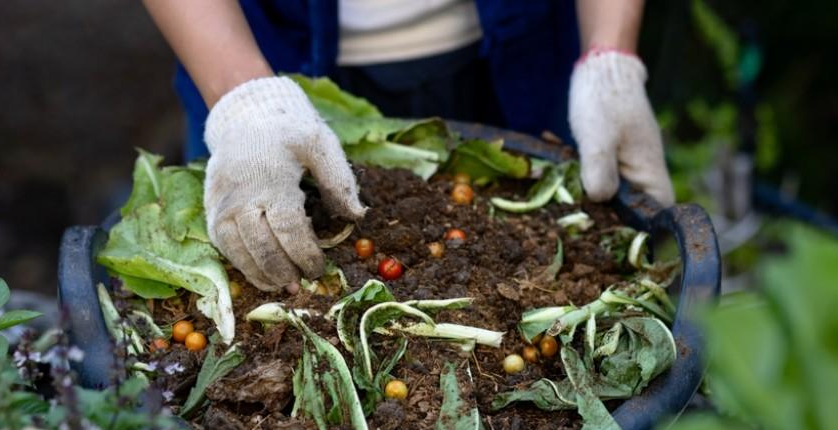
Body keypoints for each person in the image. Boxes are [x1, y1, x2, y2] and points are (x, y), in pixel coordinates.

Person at [143, 0, 673, 292]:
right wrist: (242, 99)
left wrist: (611, 46)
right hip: (259, 50)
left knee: (580, 245)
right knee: (256, 244)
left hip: (523, 51)